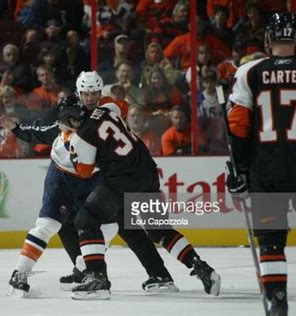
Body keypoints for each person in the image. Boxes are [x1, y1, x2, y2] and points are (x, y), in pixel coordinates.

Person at [3, 72, 178, 297]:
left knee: (114, 225)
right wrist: (17, 129)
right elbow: (42, 135)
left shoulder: (103, 113)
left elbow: (119, 110)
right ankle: (21, 273)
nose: (90, 97)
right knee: (49, 225)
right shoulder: (70, 116)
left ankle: (88, 269)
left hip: (95, 179)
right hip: (62, 178)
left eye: (94, 93)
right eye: (86, 93)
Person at [67, 91, 220, 300]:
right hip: (147, 173)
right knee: (154, 229)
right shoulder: (107, 110)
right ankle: (194, 268)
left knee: (86, 219)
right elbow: (119, 107)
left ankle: (97, 279)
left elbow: (84, 171)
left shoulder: (83, 134)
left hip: (121, 181)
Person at [227, 12, 296, 315]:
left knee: (270, 241)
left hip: (266, 170)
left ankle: (277, 301)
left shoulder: (249, 72)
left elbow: (239, 125)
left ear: (268, 39)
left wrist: (239, 168)